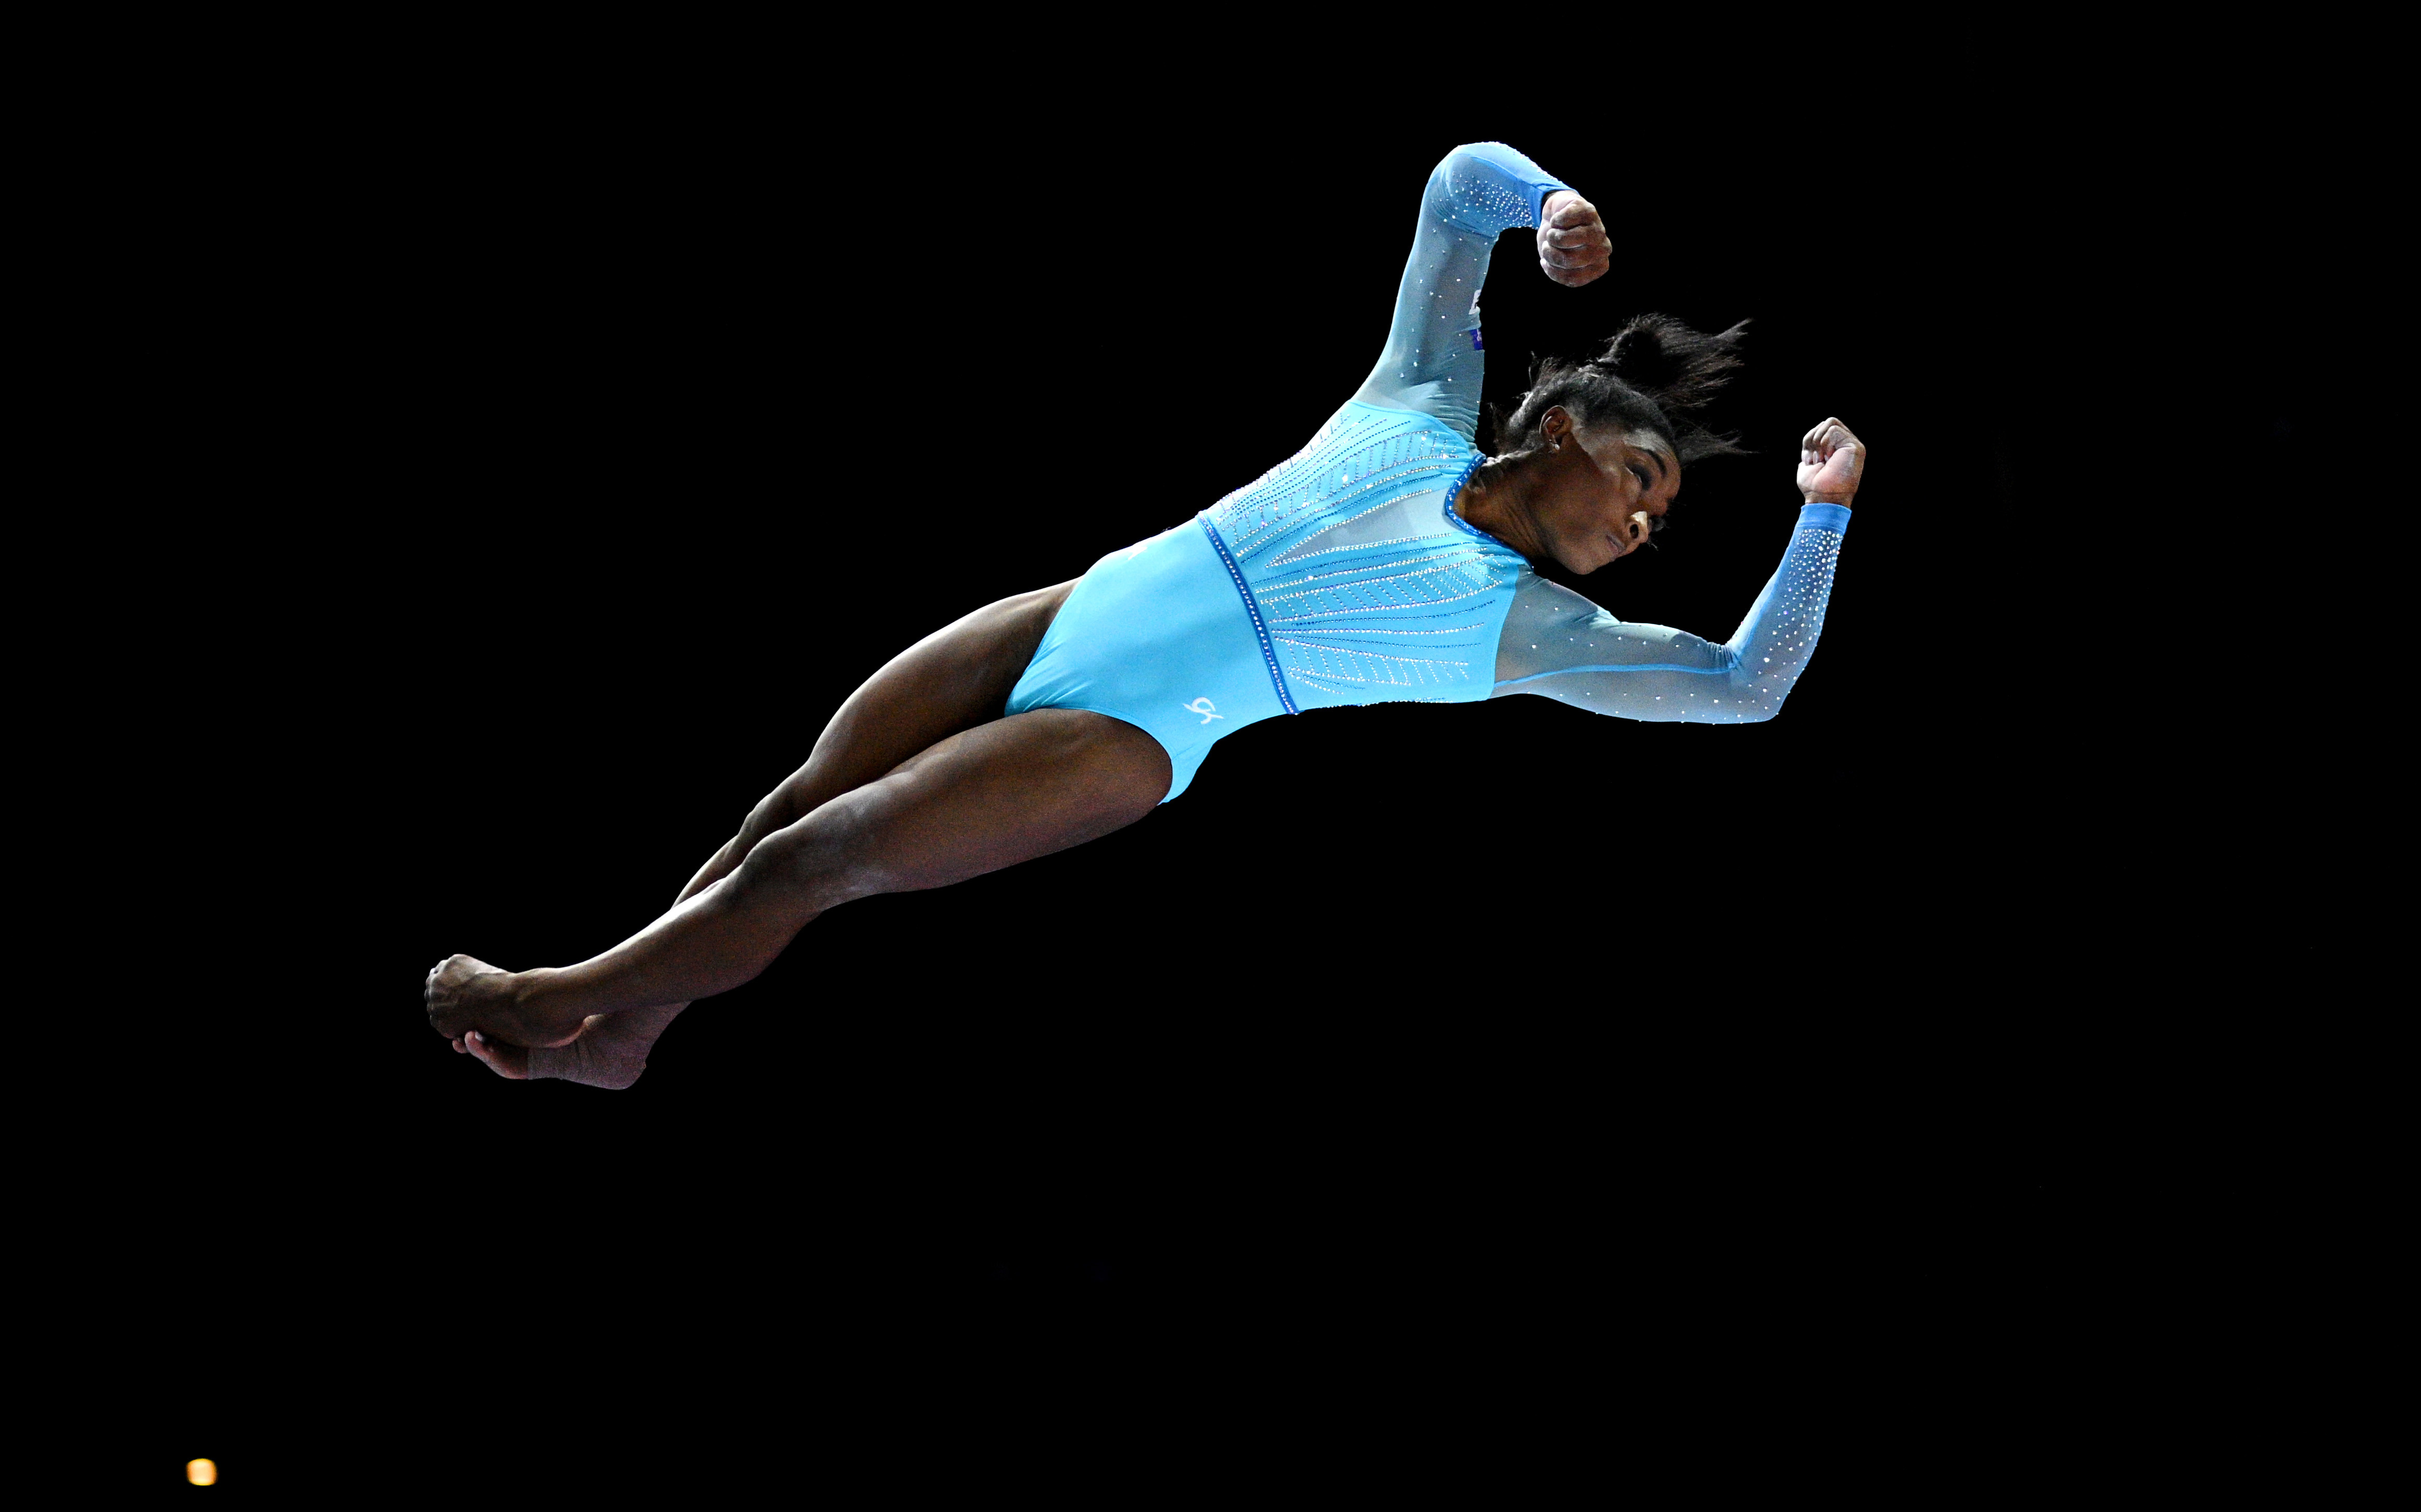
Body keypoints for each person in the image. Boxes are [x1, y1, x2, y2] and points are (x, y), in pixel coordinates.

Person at [423, 139, 1867, 1086]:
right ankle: (632, 1035)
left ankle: (561, 998)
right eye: (1638, 479)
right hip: (1087, 598)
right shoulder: (1422, 401)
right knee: (782, 808)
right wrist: (1545, 200)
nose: (1641, 524)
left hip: (1132, 732)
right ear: (1555, 427)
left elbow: (1744, 684)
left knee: (822, 858)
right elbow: (1451, 191)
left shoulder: (1527, 634)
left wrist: (1822, 516)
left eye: (1656, 522)